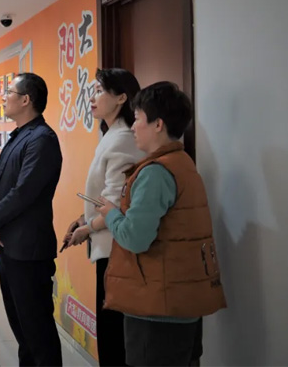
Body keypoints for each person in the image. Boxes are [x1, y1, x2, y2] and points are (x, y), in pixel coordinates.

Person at [95, 82, 227, 366]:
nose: (133, 127)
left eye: (138, 119)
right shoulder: (182, 163)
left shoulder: (155, 173)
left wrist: (110, 214)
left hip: (157, 311)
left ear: (158, 124)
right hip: (181, 301)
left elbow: (135, 238)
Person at [0, 73, 63, 366]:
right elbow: (2, 188)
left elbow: (23, 192)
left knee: (37, 332)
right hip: (12, 246)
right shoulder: (21, 135)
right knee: (24, 333)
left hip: (30, 251)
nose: (3, 97)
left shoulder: (42, 139)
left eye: (9, 92)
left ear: (26, 100)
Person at [61, 68, 142, 366]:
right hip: (107, 244)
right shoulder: (112, 135)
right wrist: (83, 220)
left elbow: (116, 202)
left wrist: (88, 228)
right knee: (109, 333)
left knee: (113, 337)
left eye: (99, 91)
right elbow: (105, 195)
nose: (92, 98)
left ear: (121, 98)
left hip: (115, 249)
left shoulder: (123, 138)